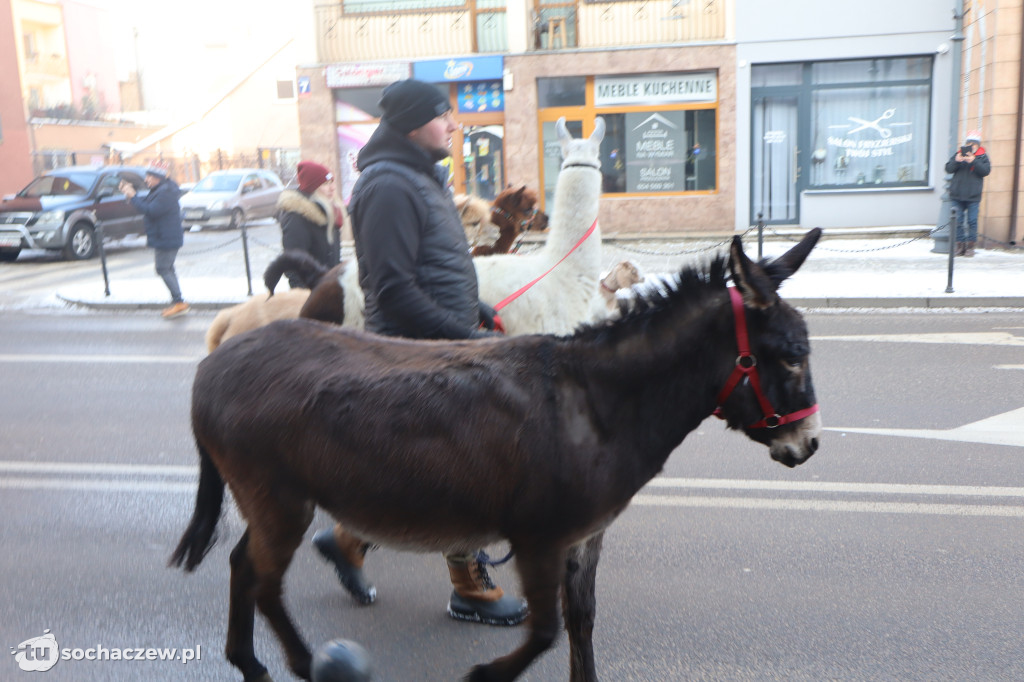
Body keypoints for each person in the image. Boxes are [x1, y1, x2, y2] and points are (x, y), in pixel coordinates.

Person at [311, 78, 526, 627]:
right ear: (412, 123)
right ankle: (468, 588)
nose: (453, 125)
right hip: (417, 354)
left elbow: (437, 263)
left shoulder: (419, 177)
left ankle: (349, 540)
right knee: (466, 469)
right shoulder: (386, 186)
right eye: (443, 115)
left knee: (428, 471)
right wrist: (467, 341)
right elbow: (393, 291)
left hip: (444, 343)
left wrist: (478, 308)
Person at [120, 166, 188, 318]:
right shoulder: (162, 190)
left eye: (149, 177)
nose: (146, 180)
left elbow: (150, 210)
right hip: (164, 236)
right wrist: (131, 194)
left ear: (158, 177)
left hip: (166, 237)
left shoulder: (165, 193)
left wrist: (133, 196)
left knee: (163, 269)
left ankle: (179, 302)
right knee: (167, 268)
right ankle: (178, 301)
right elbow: (147, 204)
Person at [277, 160, 347, 286]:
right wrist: (303, 298)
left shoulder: (329, 212)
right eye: (325, 184)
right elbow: (294, 267)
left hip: (329, 290)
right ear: (312, 189)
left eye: (331, 182)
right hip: (312, 294)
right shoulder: (297, 216)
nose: (332, 188)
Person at [944, 129, 991, 257]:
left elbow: (986, 171)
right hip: (957, 194)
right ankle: (960, 246)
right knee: (958, 221)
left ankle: (970, 247)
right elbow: (948, 169)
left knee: (972, 221)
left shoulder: (982, 157)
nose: (972, 147)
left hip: (973, 196)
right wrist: (957, 161)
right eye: (970, 144)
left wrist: (973, 161)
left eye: (974, 145)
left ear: (978, 145)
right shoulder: (959, 154)